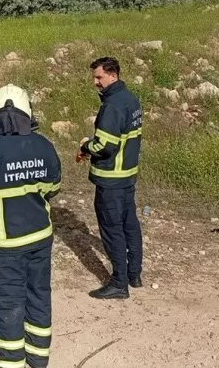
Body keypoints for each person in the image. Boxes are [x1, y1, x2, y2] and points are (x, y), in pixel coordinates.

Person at [0, 84, 62, 368]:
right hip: (41, 239)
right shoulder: (44, 146)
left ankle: (10, 364)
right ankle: (38, 360)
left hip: (5, 246)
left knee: (8, 306)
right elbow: (53, 187)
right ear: (27, 114)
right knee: (39, 297)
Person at [77, 57, 143, 300]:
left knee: (112, 229)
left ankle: (119, 283)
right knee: (130, 225)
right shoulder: (131, 99)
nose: (95, 82)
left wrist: (85, 147)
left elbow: (105, 145)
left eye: (98, 77)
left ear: (112, 75)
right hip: (127, 176)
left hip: (111, 179)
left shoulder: (113, 105)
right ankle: (134, 274)